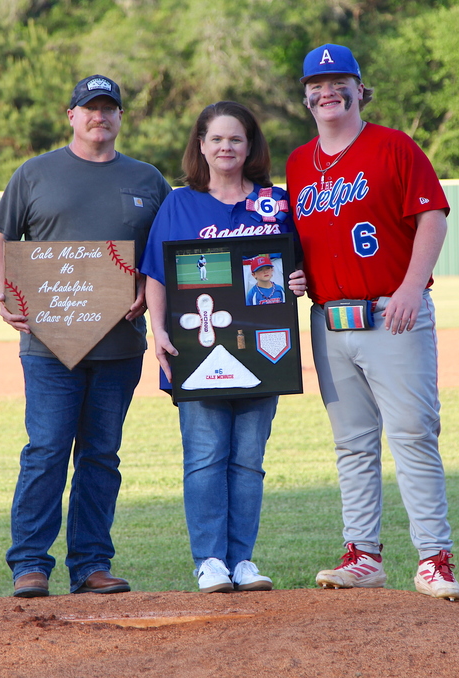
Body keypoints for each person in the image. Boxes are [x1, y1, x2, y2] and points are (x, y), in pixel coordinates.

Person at [285, 44, 459, 600]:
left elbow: (430, 216)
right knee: (353, 444)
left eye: (339, 80)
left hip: (393, 312)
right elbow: (299, 241)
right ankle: (363, 555)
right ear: (306, 97)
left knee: (413, 434)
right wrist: (296, 276)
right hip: (328, 321)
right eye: (317, 84)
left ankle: (435, 559)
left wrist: (413, 286)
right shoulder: (297, 164)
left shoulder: (393, 146)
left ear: (361, 89)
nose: (327, 91)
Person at [0, 74, 172, 598]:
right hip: (48, 343)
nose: (100, 116)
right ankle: (30, 565)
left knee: (101, 455)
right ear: (71, 115)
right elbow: (1, 238)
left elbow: (163, 254)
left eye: (109, 108)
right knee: (46, 450)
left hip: (118, 343)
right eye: (89, 108)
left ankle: (91, 564)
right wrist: (6, 293)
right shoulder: (36, 173)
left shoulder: (146, 179)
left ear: (119, 117)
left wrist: (144, 285)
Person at [139, 101, 306, 593]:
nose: (226, 147)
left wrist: (298, 279)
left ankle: (243, 561)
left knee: (249, 458)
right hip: (196, 350)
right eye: (216, 139)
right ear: (201, 146)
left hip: (264, 352)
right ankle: (210, 560)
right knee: (206, 455)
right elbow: (156, 272)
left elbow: (294, 267)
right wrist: (158, 330)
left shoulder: (275, 203)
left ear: (250, 145)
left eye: (236, 139)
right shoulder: (180, 203)